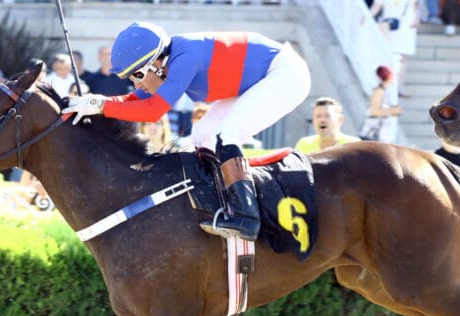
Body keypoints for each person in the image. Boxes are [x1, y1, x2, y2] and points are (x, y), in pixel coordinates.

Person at [62, 22, 311, 241]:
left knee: (227, 134)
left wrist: (103, 106)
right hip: (258, 80)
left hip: (284, 74)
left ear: (157, 64)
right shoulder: (169, 61)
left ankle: (247, 217)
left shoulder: (185, 58)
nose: (136, 83)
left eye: (137, 74)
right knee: (201, 136)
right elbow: (134, 98)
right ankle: (218, 204)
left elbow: (152, 111)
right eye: (131, 77)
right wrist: (95, 104)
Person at [369, 0, 420, 98]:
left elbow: (415, 5)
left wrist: (417, 17)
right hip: (388, 26)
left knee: (403, 57)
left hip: (407, 25)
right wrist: (366, 18)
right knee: (386, 56)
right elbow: (377, 6)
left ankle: (399, 87)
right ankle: (385, 85)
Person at [294, 97, 360, 153]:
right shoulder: (304, 144)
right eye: (318, 116)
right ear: (313, 121)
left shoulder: (353, 145)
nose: (322, 120)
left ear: (340, 120)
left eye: (327, 115)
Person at [360, 65, 402, 143]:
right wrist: (392, 110)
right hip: (372, 135)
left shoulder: (382, 91)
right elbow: (374, 112)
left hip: (378, 136)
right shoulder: (378, 91)